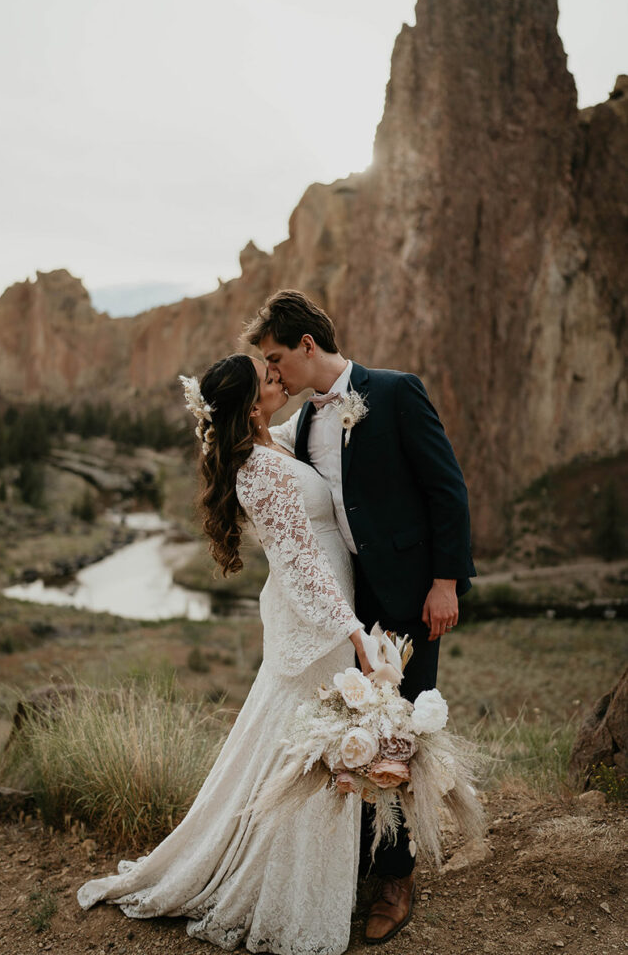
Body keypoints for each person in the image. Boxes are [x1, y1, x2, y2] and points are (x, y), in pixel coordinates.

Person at [77, 351, 374, 955]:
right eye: (268, 379)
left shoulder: (275, 441)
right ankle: (286, 896)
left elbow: (309, 424)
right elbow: (299, 566)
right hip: (316, 623)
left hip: (329, 615)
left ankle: (307, 881)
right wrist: (354, 632)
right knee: (307, 752)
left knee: (299, 747)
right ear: (249, 403)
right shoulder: (256, 471)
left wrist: (341, 391)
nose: (279, 379)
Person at [245, 290, 476, 945]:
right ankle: (359, 859)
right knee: (357, 734)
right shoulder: (308, 424)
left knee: (399, 734)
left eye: (276, 357)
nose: (274, 372)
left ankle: (396, 879)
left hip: (408, 600)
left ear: (307, 346)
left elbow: (446, 489)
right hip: (348, 608)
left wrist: (443, 582)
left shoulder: (396, 392)